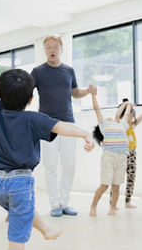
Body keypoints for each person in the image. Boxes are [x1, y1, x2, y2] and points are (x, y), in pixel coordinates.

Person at [0, 66, 94, 250]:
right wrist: (85, 133)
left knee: (22, 210)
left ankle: (46, 230)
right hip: (20, 183)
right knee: (17, 236)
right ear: (30, 99)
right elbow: (62, 126)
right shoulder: (33, 119)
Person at [31, 34, 96, 217]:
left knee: (69, 165)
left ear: (61, 49)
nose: (52, 50)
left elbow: (75, 93)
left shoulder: (69, 71)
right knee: (50, 166)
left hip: (68, 122)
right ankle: (54, 204)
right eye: (48, 47)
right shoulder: (37, 72)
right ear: (45, 50)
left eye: (55, 47)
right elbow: (26, 91)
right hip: (47, 125)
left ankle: (65, 202)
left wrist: (88, 91)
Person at [89, 93, 132, 217]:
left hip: (122, 157)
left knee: (116, 186)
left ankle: (113, 208)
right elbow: (97, 108)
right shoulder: (104, 125)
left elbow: (123, 114)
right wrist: (93, 96)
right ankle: (93, 206)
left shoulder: (121, 125)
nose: (110, 118)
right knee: (104, 185)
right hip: (109, 157)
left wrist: (127, 104)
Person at [118, 97, 142, 208]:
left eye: (132, 116)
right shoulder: (120, 125)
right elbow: (124, 115)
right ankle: (112, 202)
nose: (131, 118)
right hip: (121, 154)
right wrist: (128, 105)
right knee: (117, 179)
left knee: (131, 177)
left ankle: (128, 201)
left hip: (132, 154)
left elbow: (141, 117)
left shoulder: (131, 126)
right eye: (130, 116)